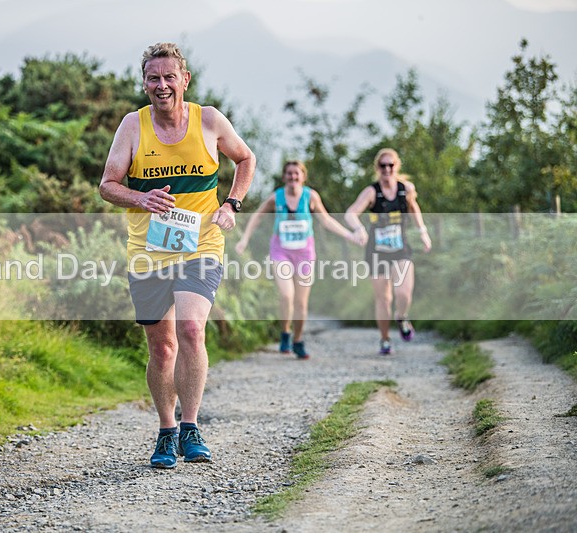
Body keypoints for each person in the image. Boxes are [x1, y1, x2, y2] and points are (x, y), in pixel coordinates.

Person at [99, 43, 255, 469]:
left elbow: (245, 159)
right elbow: (107, 185)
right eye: (153, 78)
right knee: (162, 347)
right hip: (148, 249)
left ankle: (191, 426)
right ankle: (167, 431)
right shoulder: (133, 126)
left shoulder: (208, 120)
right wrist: (140, 197)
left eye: (170, 77)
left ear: (185, 80)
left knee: (189, 328)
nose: (162, 85)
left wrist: (231, 204)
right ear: (145, 83)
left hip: (201, 243)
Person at [235, 161, 361, 359]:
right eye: (289, 174)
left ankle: (298, 340)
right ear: (285, 177)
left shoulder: (310, 196)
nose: (293, 177)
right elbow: (257, 216)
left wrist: (349, 235)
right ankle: (285, 331)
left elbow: (326, 220)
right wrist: (244, 239)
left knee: (301, 303)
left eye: (297, 174)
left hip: (304, 254)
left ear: (303, 176)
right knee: (286, 295)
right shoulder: (276, 198)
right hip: (281, 251)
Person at [344, 148, 432, 355]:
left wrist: (423, 232)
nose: (387, 169)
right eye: (383, 165)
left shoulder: (406, 189)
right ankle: (384, 339)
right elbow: (350, 214)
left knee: (403, 293)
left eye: (391, 165)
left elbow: (414, 209)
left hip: (401, 249)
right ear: (377, 168)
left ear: (397, 166)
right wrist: (358, 228)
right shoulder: (371, 192)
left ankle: (402, 317)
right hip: (377, 251)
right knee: (384, 299)